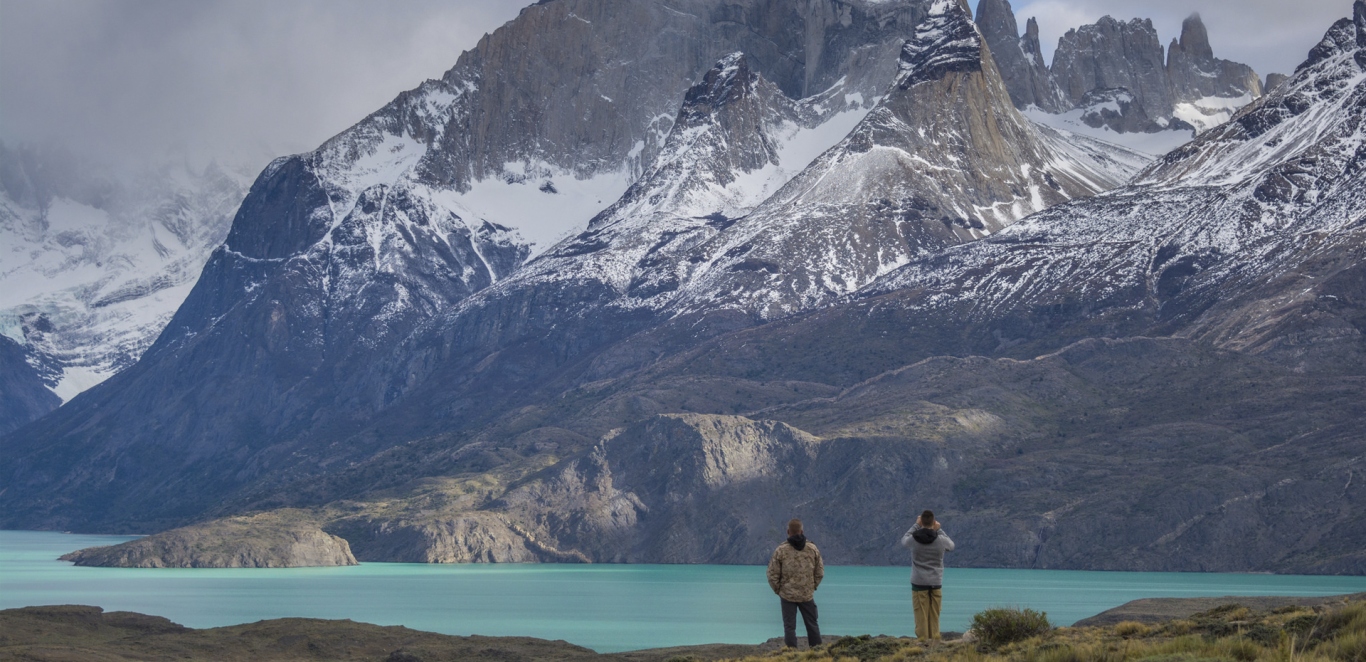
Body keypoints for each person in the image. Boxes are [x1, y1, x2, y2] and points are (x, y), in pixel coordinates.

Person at [766, 518, 824, 649]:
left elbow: (771, 574)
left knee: (789, 626)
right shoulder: (812, 548)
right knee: (812, 624)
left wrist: (779, 590)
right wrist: (812, 586)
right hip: (806, 594)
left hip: (787, 595)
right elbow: (820, 572)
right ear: (802, 531)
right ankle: (818, 652)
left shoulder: (781, 550)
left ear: (788, 532)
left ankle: (792, 654)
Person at [900, 509, 954, 640]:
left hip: (918, 582)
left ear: (921, 521)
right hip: (936, 582)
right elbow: (951, 546)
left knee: (920, 614)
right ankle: (934, 640)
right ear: (934, 522)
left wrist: (916, 525)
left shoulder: (913, 539)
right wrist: (939, 529)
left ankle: (923, 641)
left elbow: (904, 540)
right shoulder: (941, 540)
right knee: (934, 614)